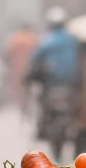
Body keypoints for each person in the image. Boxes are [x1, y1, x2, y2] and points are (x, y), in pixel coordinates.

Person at [26, 8, 81, 156]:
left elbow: (34, 62)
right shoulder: (72, 40)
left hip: (52, 86)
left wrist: (30, 75)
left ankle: (42, 127)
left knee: (42, 103)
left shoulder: (46, 41)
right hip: (71, 85)